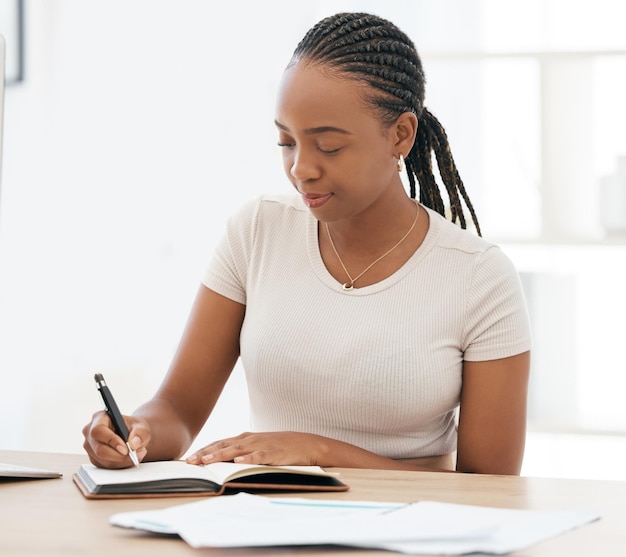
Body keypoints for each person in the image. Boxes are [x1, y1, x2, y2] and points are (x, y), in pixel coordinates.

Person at [82, 12, 531, 475]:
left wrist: (318, 452)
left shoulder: (479, 277)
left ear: (401, 134)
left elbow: (490, 489)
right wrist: (135, 431)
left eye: (329, 147)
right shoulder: (258, 230)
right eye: (286, 142)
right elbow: (176, 411)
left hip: (408, 532)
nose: (301, 169)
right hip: (265, 523)